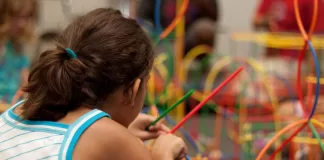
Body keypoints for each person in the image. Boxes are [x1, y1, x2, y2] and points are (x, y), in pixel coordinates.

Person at [0, 8, 187, 159]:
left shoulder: (21, 109)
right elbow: (100, 138)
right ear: (133, 90)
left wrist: (126, 131)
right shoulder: (111, 137)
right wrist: (163, 154)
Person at [137, 0, 219, 54]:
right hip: (161, 38)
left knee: (205, 28)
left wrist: (206, 4)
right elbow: (142, 17)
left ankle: (199, 70)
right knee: (143, 31)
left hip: (189, 39)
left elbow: (213, 19)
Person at [0, 0, 37, 103]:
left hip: (12, 107)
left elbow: (26, 84)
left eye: (26, 17)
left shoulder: (17, 45)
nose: (22, 23)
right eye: (16, 16)